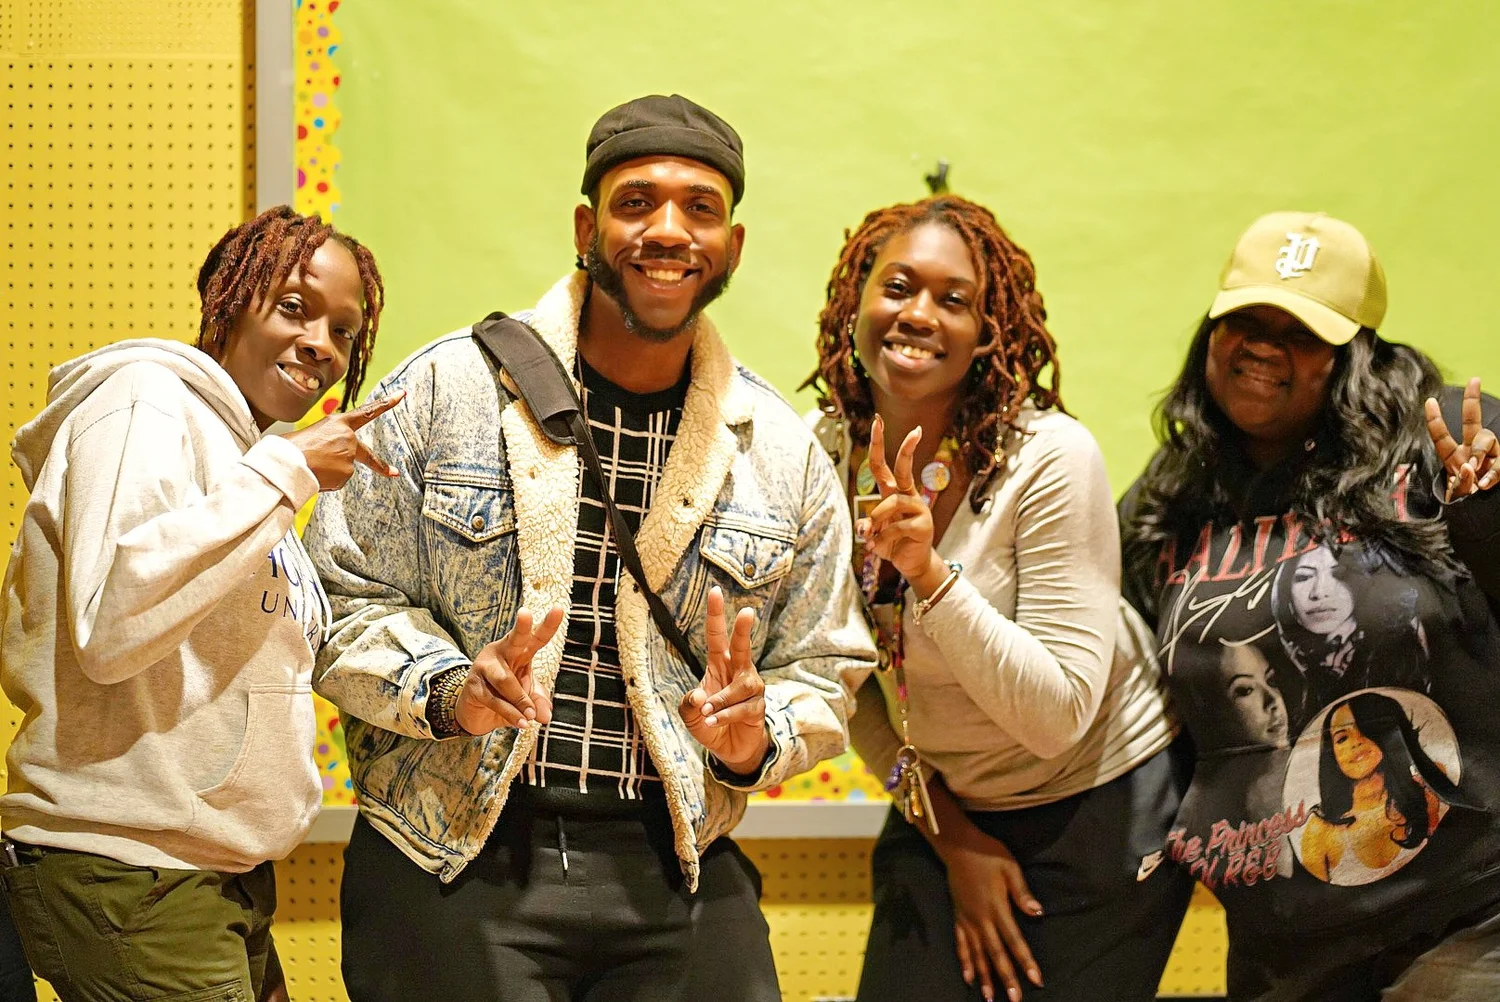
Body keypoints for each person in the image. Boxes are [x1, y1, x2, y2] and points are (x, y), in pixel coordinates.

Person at [303, 93, 875, 1002]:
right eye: (636, 201)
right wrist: (449, 689)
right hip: (453, 849)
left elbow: (825, 662)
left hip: (676, 856)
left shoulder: (779, 449)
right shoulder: (448, 388)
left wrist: (750, 736)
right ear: (587, 224)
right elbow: (341, 598)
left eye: (700, 208)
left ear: (731, 244)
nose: (668, 230)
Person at [804, 195, 1191, 1002]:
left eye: (955, 300)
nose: (918, 314)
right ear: (855, 301)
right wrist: (955, 840)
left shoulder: (1047, 459)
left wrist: (928, 575)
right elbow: (841, 684)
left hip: (1101, 803)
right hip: (943, 803)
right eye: (898, 287)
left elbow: (1055, 717)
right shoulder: (816, 455)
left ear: (988, 331)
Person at [0, 205, 392, 1002]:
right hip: (130, 867)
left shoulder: (246, 457)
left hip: (207, 872)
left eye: (344, 331)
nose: (322, 344)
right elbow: (112, 625)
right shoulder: (144, 402)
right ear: (227, 295)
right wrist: (285, 473)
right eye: (294, 307)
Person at [1121, 210, 1500, 1001]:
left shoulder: (1448, 446)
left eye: (1300, 331)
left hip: (1465, 918)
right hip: (1280, 947)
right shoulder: (1170, 497)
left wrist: (1486, 519)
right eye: (1243, 320)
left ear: (1358, 356)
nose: (1262, 346)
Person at [1299, 692, 1460, 886]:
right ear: (1330, 753)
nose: (1356, 742)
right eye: (1342, 738)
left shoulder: (1427, 794)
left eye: (1366, 729)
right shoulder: (1318, 830)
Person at [1270, 545, 1430, 730]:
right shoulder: (1284, 663)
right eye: (1304, 577)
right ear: (1285, 591)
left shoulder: (1401, 642)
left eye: (1338, 574)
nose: (1319, 592)